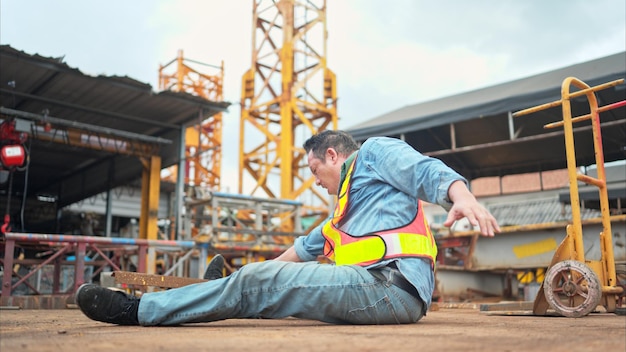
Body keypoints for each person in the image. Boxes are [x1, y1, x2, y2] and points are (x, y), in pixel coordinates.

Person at [76, 130, 500, 326]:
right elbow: (296, 254)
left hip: (391, 289)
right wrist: (247, 276)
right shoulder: (341, 218)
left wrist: (460, 196)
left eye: (316, 170)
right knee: (259, 281)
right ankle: (224, 287)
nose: (316, 181)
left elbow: (424, 170)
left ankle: (138, 311)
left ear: (332, 155)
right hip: (373, 290)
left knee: (260, 283)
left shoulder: (373, 155)